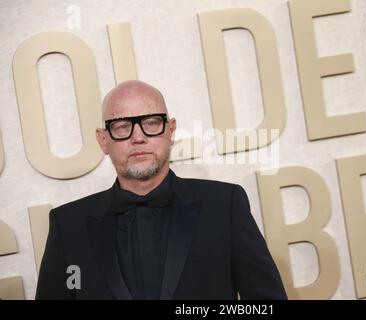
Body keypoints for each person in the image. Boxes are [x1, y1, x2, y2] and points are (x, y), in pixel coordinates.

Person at [35, 80, 287, 300]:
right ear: (103, 140)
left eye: (151, 122)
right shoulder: (67, 226)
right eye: (122, 126)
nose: (138, 137)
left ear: (171, 130)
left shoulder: (224, 206)